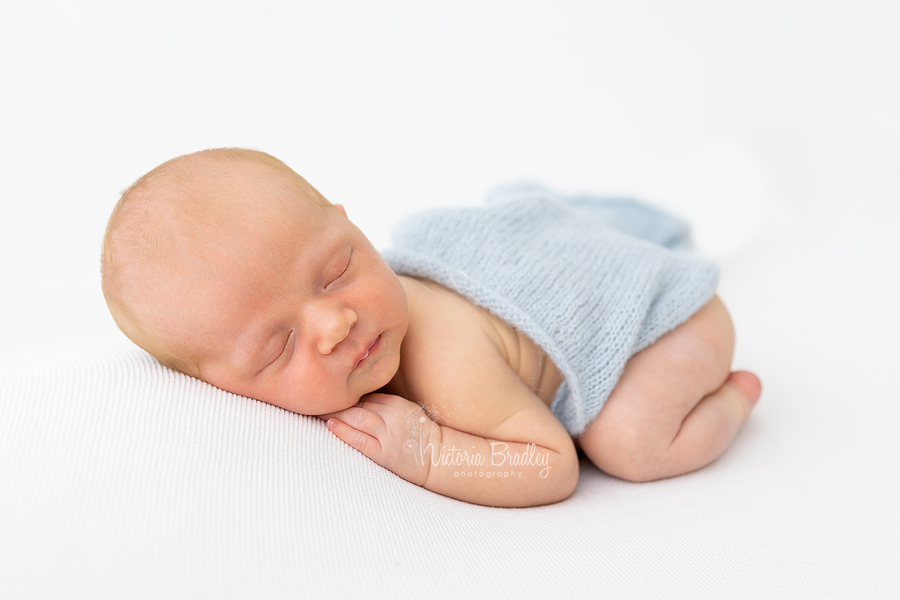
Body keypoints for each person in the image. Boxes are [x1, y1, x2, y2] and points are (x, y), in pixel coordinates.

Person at [101, 148, 762, 508]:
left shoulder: (446, 355)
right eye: (282, 344)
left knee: (626, 444)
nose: (336, 323)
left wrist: (434, 454)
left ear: (351, 221)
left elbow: (551, 467)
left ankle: (733, 401)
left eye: (337, 270)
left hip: (665, 320)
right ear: (219, 385)